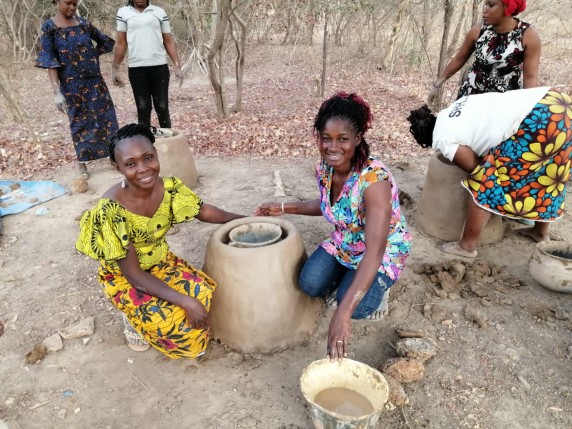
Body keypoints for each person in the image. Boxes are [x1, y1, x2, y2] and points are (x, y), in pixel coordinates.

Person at [255, 93, 412, 360]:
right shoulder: (325, 168)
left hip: (381, 252)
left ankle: (380, 289)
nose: (332, 147)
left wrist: (342, 314)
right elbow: (332, 205)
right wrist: (283, 207)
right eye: (326, 138)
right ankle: (350, 284)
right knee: (310, 283)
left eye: (342, 139)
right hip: (346, 242)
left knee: (355, 307)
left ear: (357, 139)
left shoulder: (375, 181)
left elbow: (375, 251)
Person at [75, 124, 244, 358]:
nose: (143, 169)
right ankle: (133, 324)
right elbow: (134, 275)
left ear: (156, 154)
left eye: (148, 158)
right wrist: (185, 302)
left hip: (160, 262)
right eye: (131, 164)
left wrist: (243, 220)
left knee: (203, 292)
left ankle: (159, 315)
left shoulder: (170, 188)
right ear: (117, 167)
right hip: (125, 277)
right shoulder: (112, 211)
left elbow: (203, 211)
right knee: (175, 320)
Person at [408, 87, 572, 258]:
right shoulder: (453, 109)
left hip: (537, 122)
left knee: (484, 181)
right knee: (548, 171)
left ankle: (466, 246)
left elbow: (478, 169)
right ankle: (540, 231)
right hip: (558, 105)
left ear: (428, 140)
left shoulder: (442, 138)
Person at [35, 0, 118, 178]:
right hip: (71, 84)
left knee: (106, 118)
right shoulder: (49, 27)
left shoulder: (84, 24)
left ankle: (113, 156)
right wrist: (56, 91)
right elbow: (50, 60)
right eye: (68, 3)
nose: (72, 7)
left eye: (75, 3)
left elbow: (104, 41)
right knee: (78, 121)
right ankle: (83, 163)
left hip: (95, 81)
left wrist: (91, 56)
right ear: (57, 1)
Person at [428, 0, 540, 104]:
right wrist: (437, 85)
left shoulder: (527, 35)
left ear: (507, 7)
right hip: (471, 97)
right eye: (485, 4)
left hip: (505, 102)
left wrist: (528, 106)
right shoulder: (479, 30)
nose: (485, 9)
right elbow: (459, 59)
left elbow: (530, 77)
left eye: (491, 5)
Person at [112, 0, 183, 129]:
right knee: (143, 108)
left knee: (162, 107)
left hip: (159, 67)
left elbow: (168, 40)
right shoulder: (123, 13)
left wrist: (177, 65)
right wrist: (115, 68)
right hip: (136, 69)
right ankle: (145, 144)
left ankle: (168, 143)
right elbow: (121, 43)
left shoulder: (159, 12)